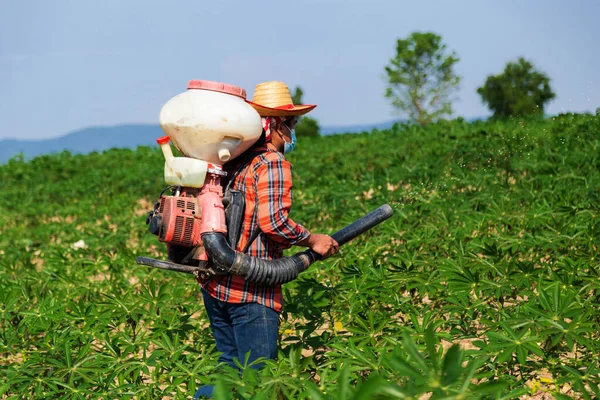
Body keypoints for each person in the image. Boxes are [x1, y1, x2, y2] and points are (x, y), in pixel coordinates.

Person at [193, 81, 339, 399]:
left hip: (215, 286)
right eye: (291, 124)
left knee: (230, 372)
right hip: (251, 292)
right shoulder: (271, 163)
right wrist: (313, 239)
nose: (293, 132)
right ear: (274, 124)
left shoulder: (232, 160)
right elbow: (274, 223)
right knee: (258, 381)